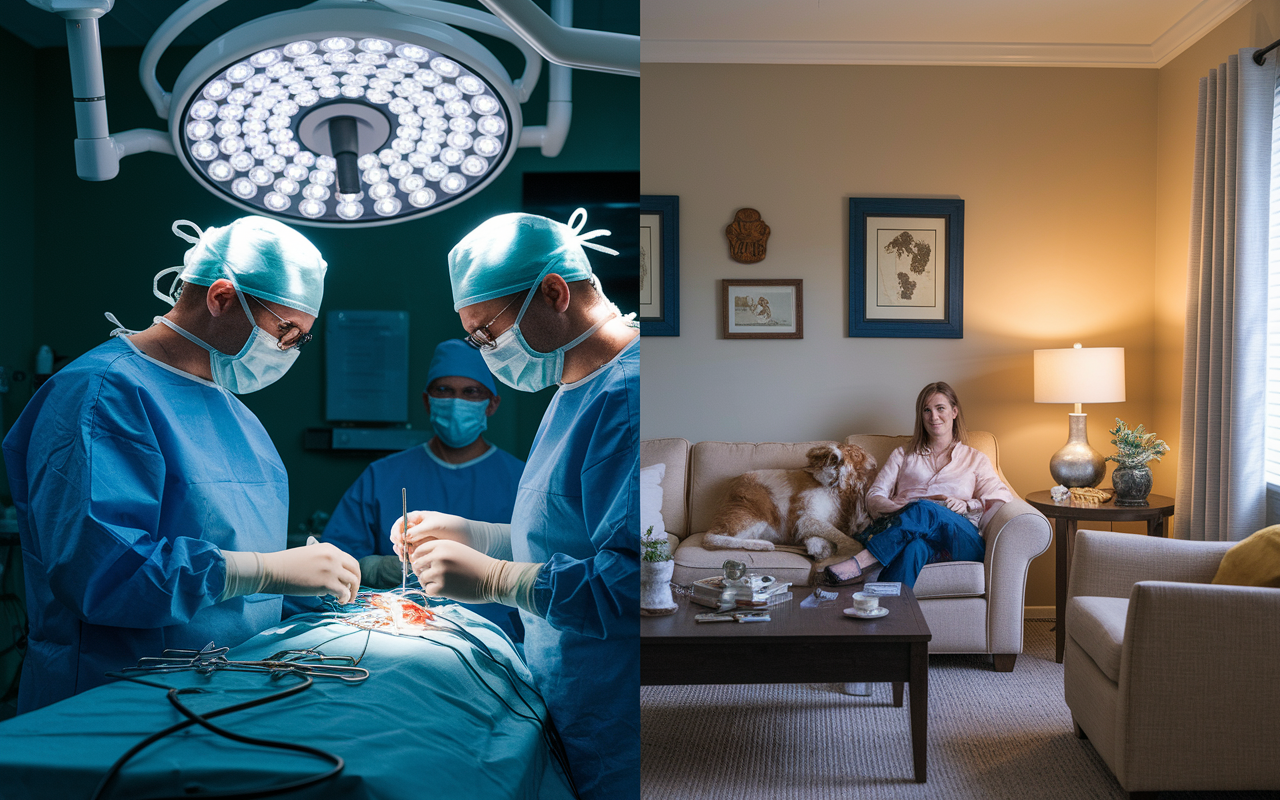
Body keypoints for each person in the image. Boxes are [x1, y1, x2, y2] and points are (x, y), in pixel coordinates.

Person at [2, 217, 360, 714]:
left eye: (301, 338)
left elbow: (245, 588)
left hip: (229, 696)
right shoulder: (101, 392)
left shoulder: (238, 416)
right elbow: (103, 576)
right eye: (285, 330)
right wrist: (268, 570)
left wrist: (313, 584)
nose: (289, 350)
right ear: (220, 298)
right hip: (113, 703)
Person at [391, 209, 639, 800]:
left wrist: (500, 578)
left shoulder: (625, 396)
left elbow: (635, 583)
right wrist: (477, 535)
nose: (482, 352)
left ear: (554, 293)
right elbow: (573, 534)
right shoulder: (576, 388)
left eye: (485, 333)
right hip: (570, 681)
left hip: (617, 698)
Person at [320, 338, 525, 636]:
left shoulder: (523, 480)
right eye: (444, 390)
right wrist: (374, 569)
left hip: (499, 641)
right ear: (428, 400)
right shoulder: (384, 475)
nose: (456, 401)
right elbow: (330, 566)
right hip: (395, 635)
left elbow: (548, 567)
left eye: (470, 392)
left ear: (492, 403)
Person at [824, 381, 1013, 588]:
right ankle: (884, 609)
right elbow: (874, 497)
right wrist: (906, 510)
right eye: (926, 410)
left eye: (940, 408)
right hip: (916, 535)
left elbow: (1001, 496)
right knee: (914, 546)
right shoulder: (902, 455)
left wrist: (968, 505)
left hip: (961, 538)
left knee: (924, 508)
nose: (933, 417)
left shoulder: (975, 459)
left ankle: (861, 563)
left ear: (954, 411)